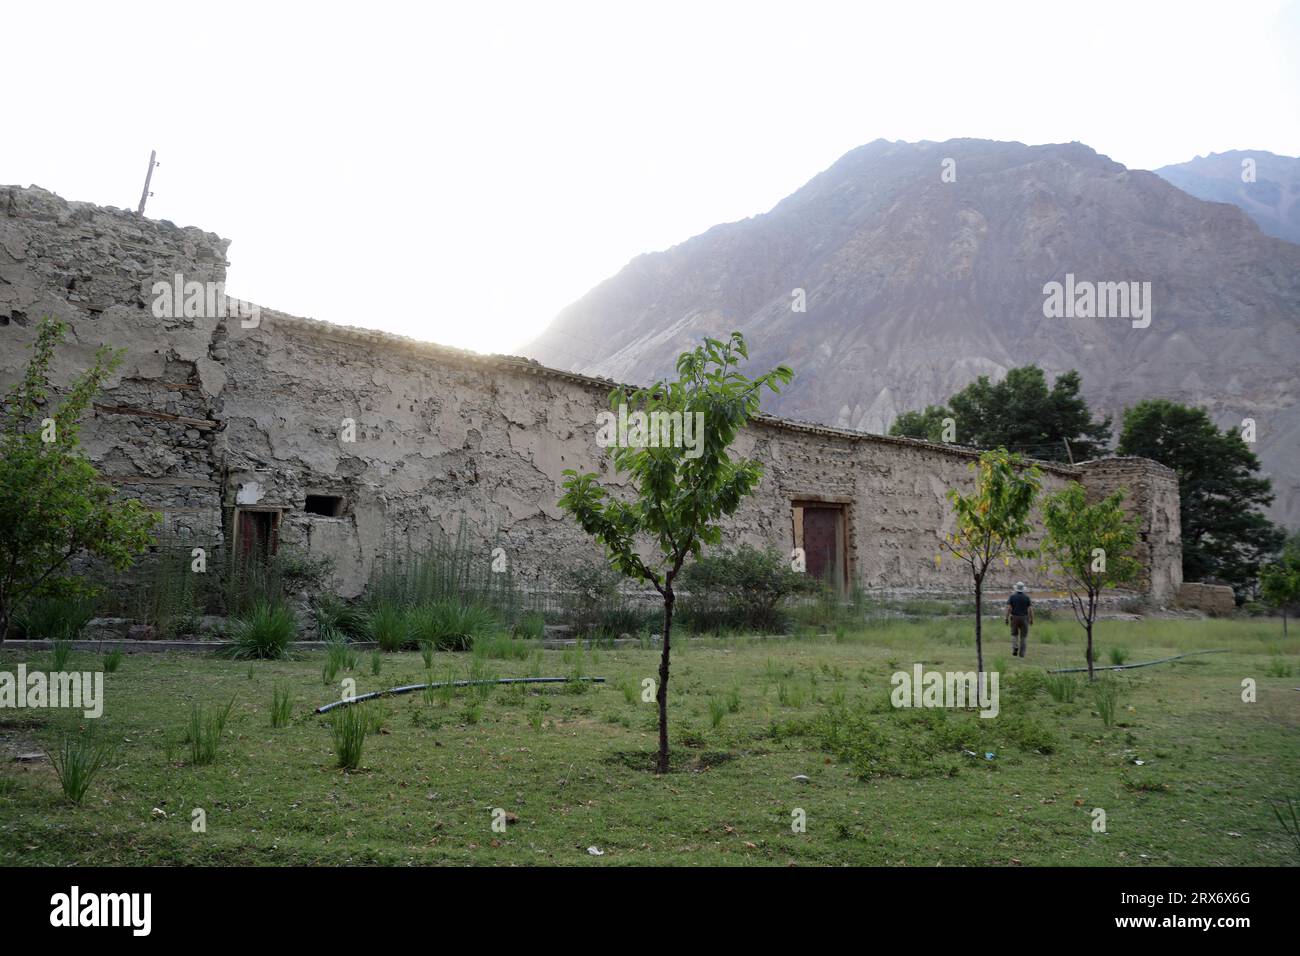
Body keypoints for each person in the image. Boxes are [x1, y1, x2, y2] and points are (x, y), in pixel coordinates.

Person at [1005, 582, 1033, 657]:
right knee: (1023, 636)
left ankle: (1015, 647)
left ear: (1016, 588)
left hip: (1014, 617)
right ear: (1023, 589)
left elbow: (1009, 608)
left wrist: (1006, 618)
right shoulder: (1027, 597)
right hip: (1024, 618)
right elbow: (1030, 609)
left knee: (1014, 634)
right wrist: (1031, 619)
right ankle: (1022, 653)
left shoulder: (1012, 597)